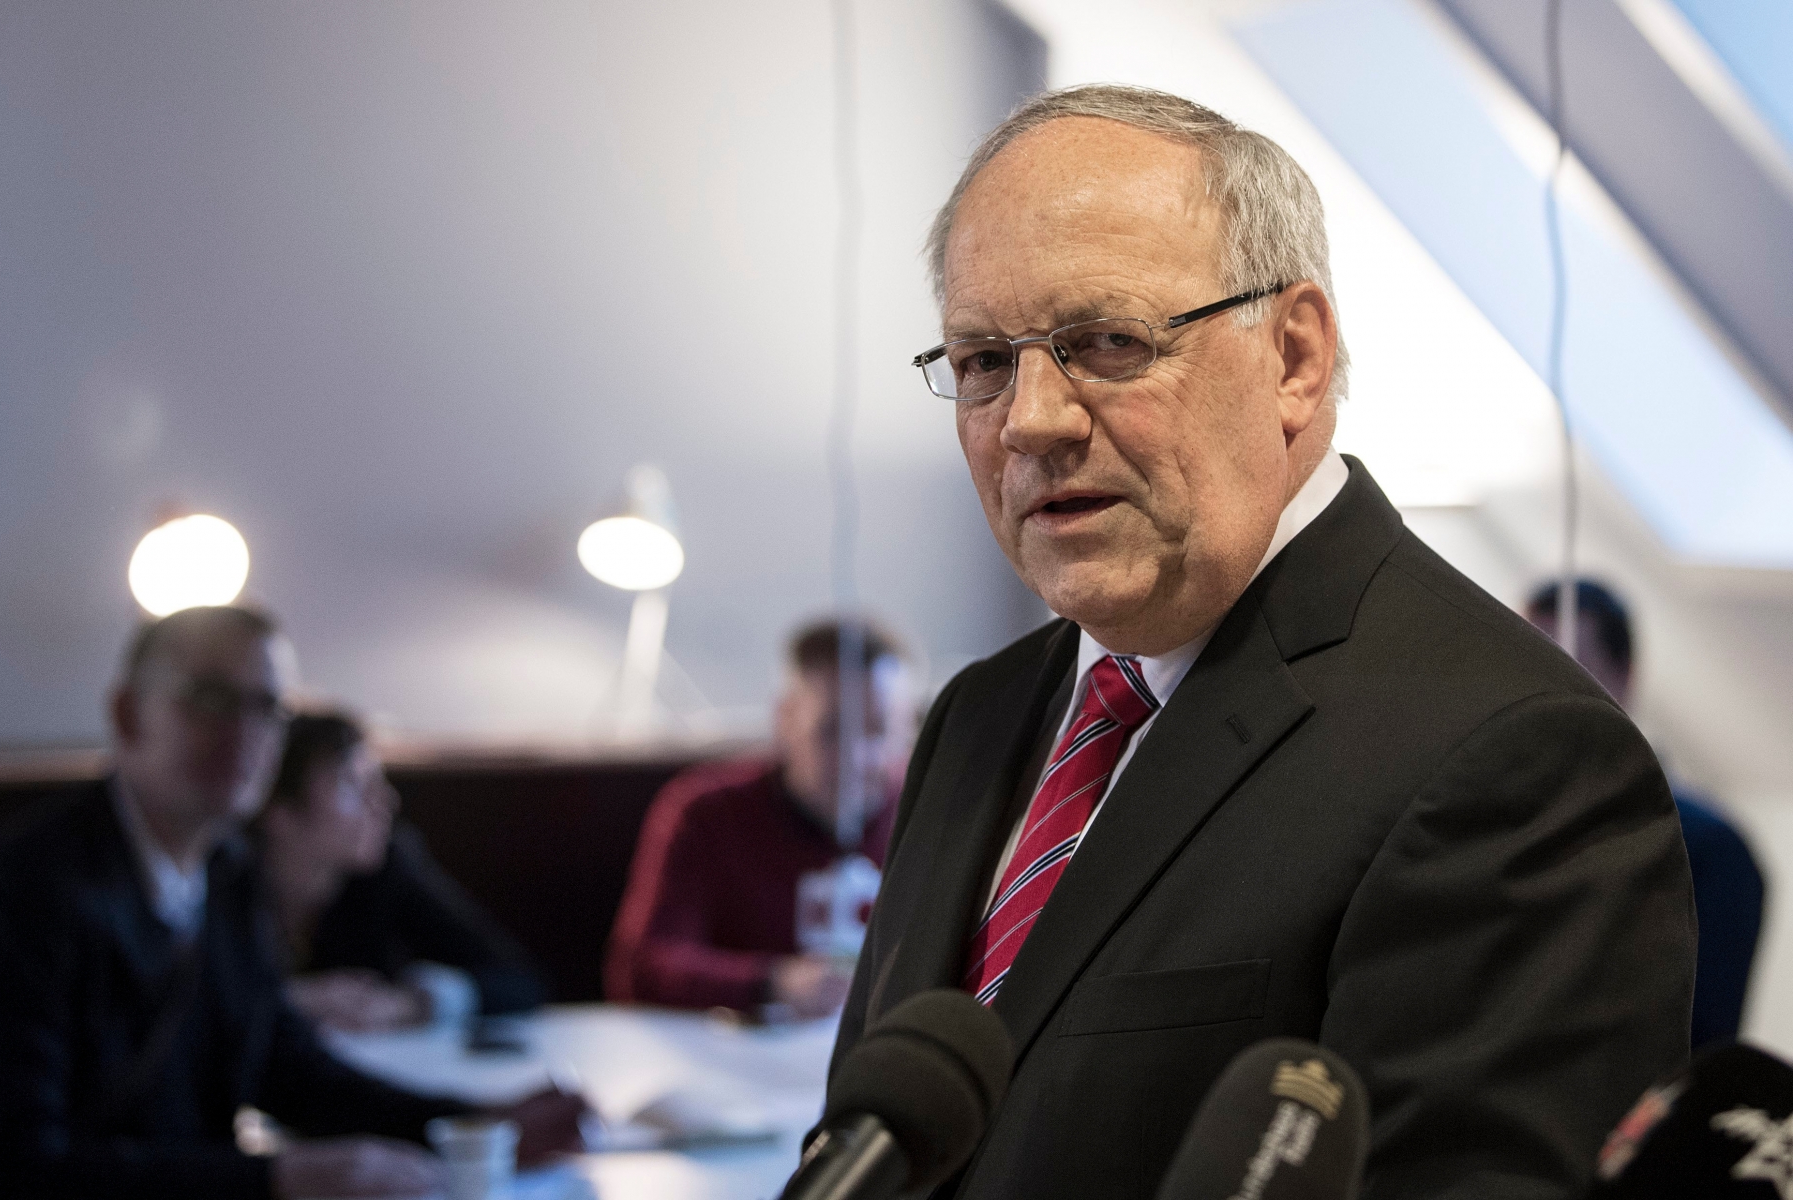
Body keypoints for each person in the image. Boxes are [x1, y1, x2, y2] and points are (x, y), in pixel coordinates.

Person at [835, 84, 1695, 1200]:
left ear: (1293, 357)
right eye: (985, 360)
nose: (1031, 419)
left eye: (1107, 342)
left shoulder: (1512, 760)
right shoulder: (981, 714)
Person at [0, 605, 586, 1200]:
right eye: (209, 699)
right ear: (128, 714)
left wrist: (474, 1122)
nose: (246, 733)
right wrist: (278, 1177)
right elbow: (24, 1166)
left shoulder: (227, 875)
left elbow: (287, 1068)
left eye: (268, 709)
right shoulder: (28, 891)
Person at [605, 619, 915, 1018]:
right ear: (784, 718)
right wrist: (773, 983)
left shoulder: (929, 814)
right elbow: (640, 967)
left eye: (877, 730)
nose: (856, 759)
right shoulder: (706, 813)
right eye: (832, 730)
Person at [1525, 578, 1765, 1049]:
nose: (1544, 692)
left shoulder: (1709, 850)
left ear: (1624, 675)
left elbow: (1700, 1045)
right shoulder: (1497, 824)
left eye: (1572, 666)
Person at [255, 710, 546, 1033]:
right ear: (277, 809)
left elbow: (519, 980)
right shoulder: (222, 880)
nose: (385, 801)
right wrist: (288, 999)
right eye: (353, 784)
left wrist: (412, 1003)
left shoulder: (387, 873)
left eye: (377, 782)